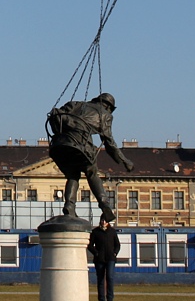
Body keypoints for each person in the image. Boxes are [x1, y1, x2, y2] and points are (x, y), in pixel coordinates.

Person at [47, 92, 133, 222]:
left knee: (72, 175)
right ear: (108, 106)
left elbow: (58, 115)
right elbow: (109, 142)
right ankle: (104, 204)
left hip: (60, 145)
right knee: (92, 172)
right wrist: (124, 160)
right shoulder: (105, 115)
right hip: (80, 147)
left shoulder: (76, 104)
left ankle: (69, 206)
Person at [88, 218, 120, 301]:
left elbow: (117, 244)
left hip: (110, 258)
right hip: (99, 259)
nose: (104, 222)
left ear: (108, 222)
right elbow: (90, 245)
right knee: (101, 279)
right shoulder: (95, 232)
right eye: (102, 220)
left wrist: (115, 253)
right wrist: (96, 253)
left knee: (110, 277)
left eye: (105, 220)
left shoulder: (112, 232)